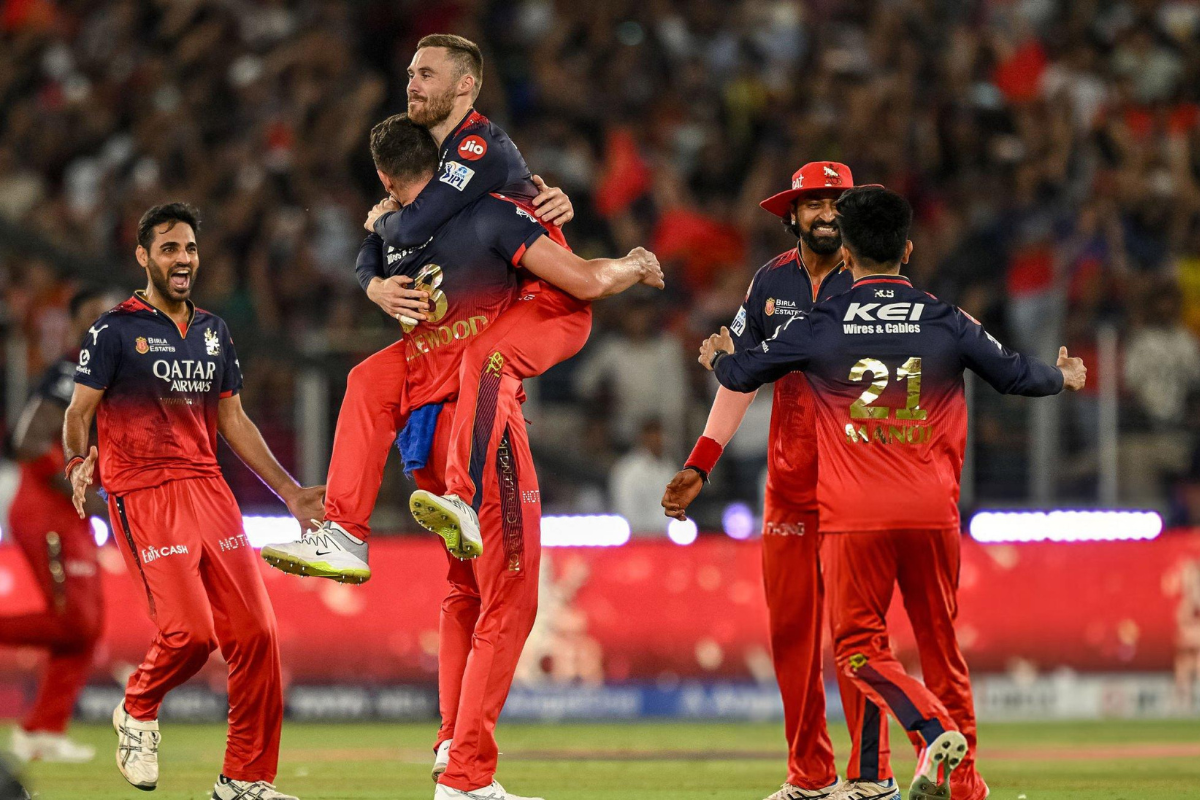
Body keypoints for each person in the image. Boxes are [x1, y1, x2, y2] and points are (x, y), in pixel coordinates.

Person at [266, 116, 660, 800]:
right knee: (510, 599)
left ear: (387, 179)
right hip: (477, 431)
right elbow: (580, 280)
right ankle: (468, 776)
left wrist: (371, 279)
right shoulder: (492, 214)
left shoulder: (395, 237)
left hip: (420, 424)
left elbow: (370, 253)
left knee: (464, 592)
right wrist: (628, 261)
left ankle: (448, 734)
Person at [701, 186, 1086, 800]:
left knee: (859, 648)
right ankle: (965, 785)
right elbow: (1017, 375)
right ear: (907, 251)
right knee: (942, 648)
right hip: (934, 512)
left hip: (854, 517)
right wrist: (1061, 376)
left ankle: (927, 729)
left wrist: (719, 356)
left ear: (848, 256)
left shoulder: (822, 324)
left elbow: (744, 371)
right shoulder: (946, 319)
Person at [62, 203, 325, 800]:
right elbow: (78, 413)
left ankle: (244, 780)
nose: (183, 260)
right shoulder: (113, 330)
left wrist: (289, 492)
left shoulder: (214, 331)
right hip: (143, 490)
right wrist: (78, 464)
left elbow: (233, 420)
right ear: (143, 256)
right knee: (190, 635)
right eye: (169, 249)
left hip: (210, 489)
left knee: (256, 634)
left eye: (189, 249)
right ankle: (137, 708)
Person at [661, 161, 874, 800]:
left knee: (859, 633)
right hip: (789, 484)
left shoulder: (875, 280)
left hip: (858, 482)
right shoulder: (770, 282)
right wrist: (701, 461)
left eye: (838, 203)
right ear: (793, 215)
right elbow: (740, 378)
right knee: (791, 634)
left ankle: (871, 777)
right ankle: (810, 777)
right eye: (814, 203)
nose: (827, 214)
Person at [0, 287, 114, 763]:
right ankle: (42, 729)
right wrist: (81, 486)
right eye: (96, 317)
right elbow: (27, 441)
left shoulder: (113, 376)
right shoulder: (70, 372)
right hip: (46, 509)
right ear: (77, 325)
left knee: (87, 627)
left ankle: (43, 731)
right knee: (76, 622)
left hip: (71, 514)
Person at [610, 419, 677, 533]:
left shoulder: (669, 467)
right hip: (638, 535)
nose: (658, 439)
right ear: (643, 437)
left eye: (661, 435)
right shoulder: (627, 469)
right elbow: (625, 508)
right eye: (654, 434)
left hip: (666, 536)